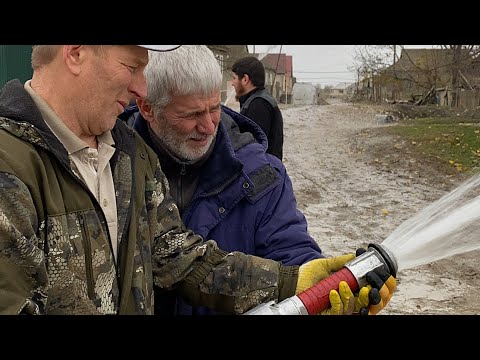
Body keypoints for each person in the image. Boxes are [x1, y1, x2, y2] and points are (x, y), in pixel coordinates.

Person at [0, 45, 394, 315]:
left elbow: (177, 257)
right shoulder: (10, 163)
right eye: (131, 66)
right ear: (76, 52)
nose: (140, 85)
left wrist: (298, 279)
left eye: (214, 110)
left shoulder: (128, 154)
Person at [122, 45, 396, 315]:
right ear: (147, 108)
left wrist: (327, 290)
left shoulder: (262, 175)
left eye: (214, 108)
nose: (208, 127)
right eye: (191, 114)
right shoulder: (106, 163)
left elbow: (292, 255)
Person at [231, 56, 284, 161]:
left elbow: (253, 150)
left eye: (234, 78)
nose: (232, 83)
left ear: (245, 79)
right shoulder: (256, 101)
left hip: (262, 171)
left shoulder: (258, 105)